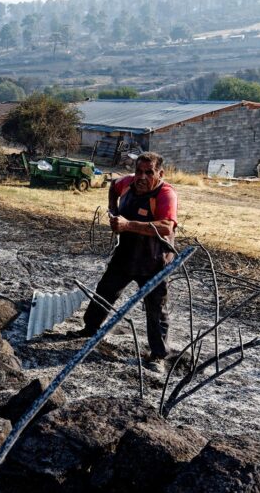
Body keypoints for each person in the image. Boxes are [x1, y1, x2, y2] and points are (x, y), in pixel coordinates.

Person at [73, 152, 178, 368]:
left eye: (149, 172)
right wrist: (113, 210)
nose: (141, 177)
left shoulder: (166, 194)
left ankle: (158, 355)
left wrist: (128, 225)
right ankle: (89, 329)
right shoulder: (128, 183)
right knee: (104, 291)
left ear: (160, 173)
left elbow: (167, 226)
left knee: (156, 308)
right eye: (139, 171)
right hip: (126, 254)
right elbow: (113, 186)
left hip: (155, 261)